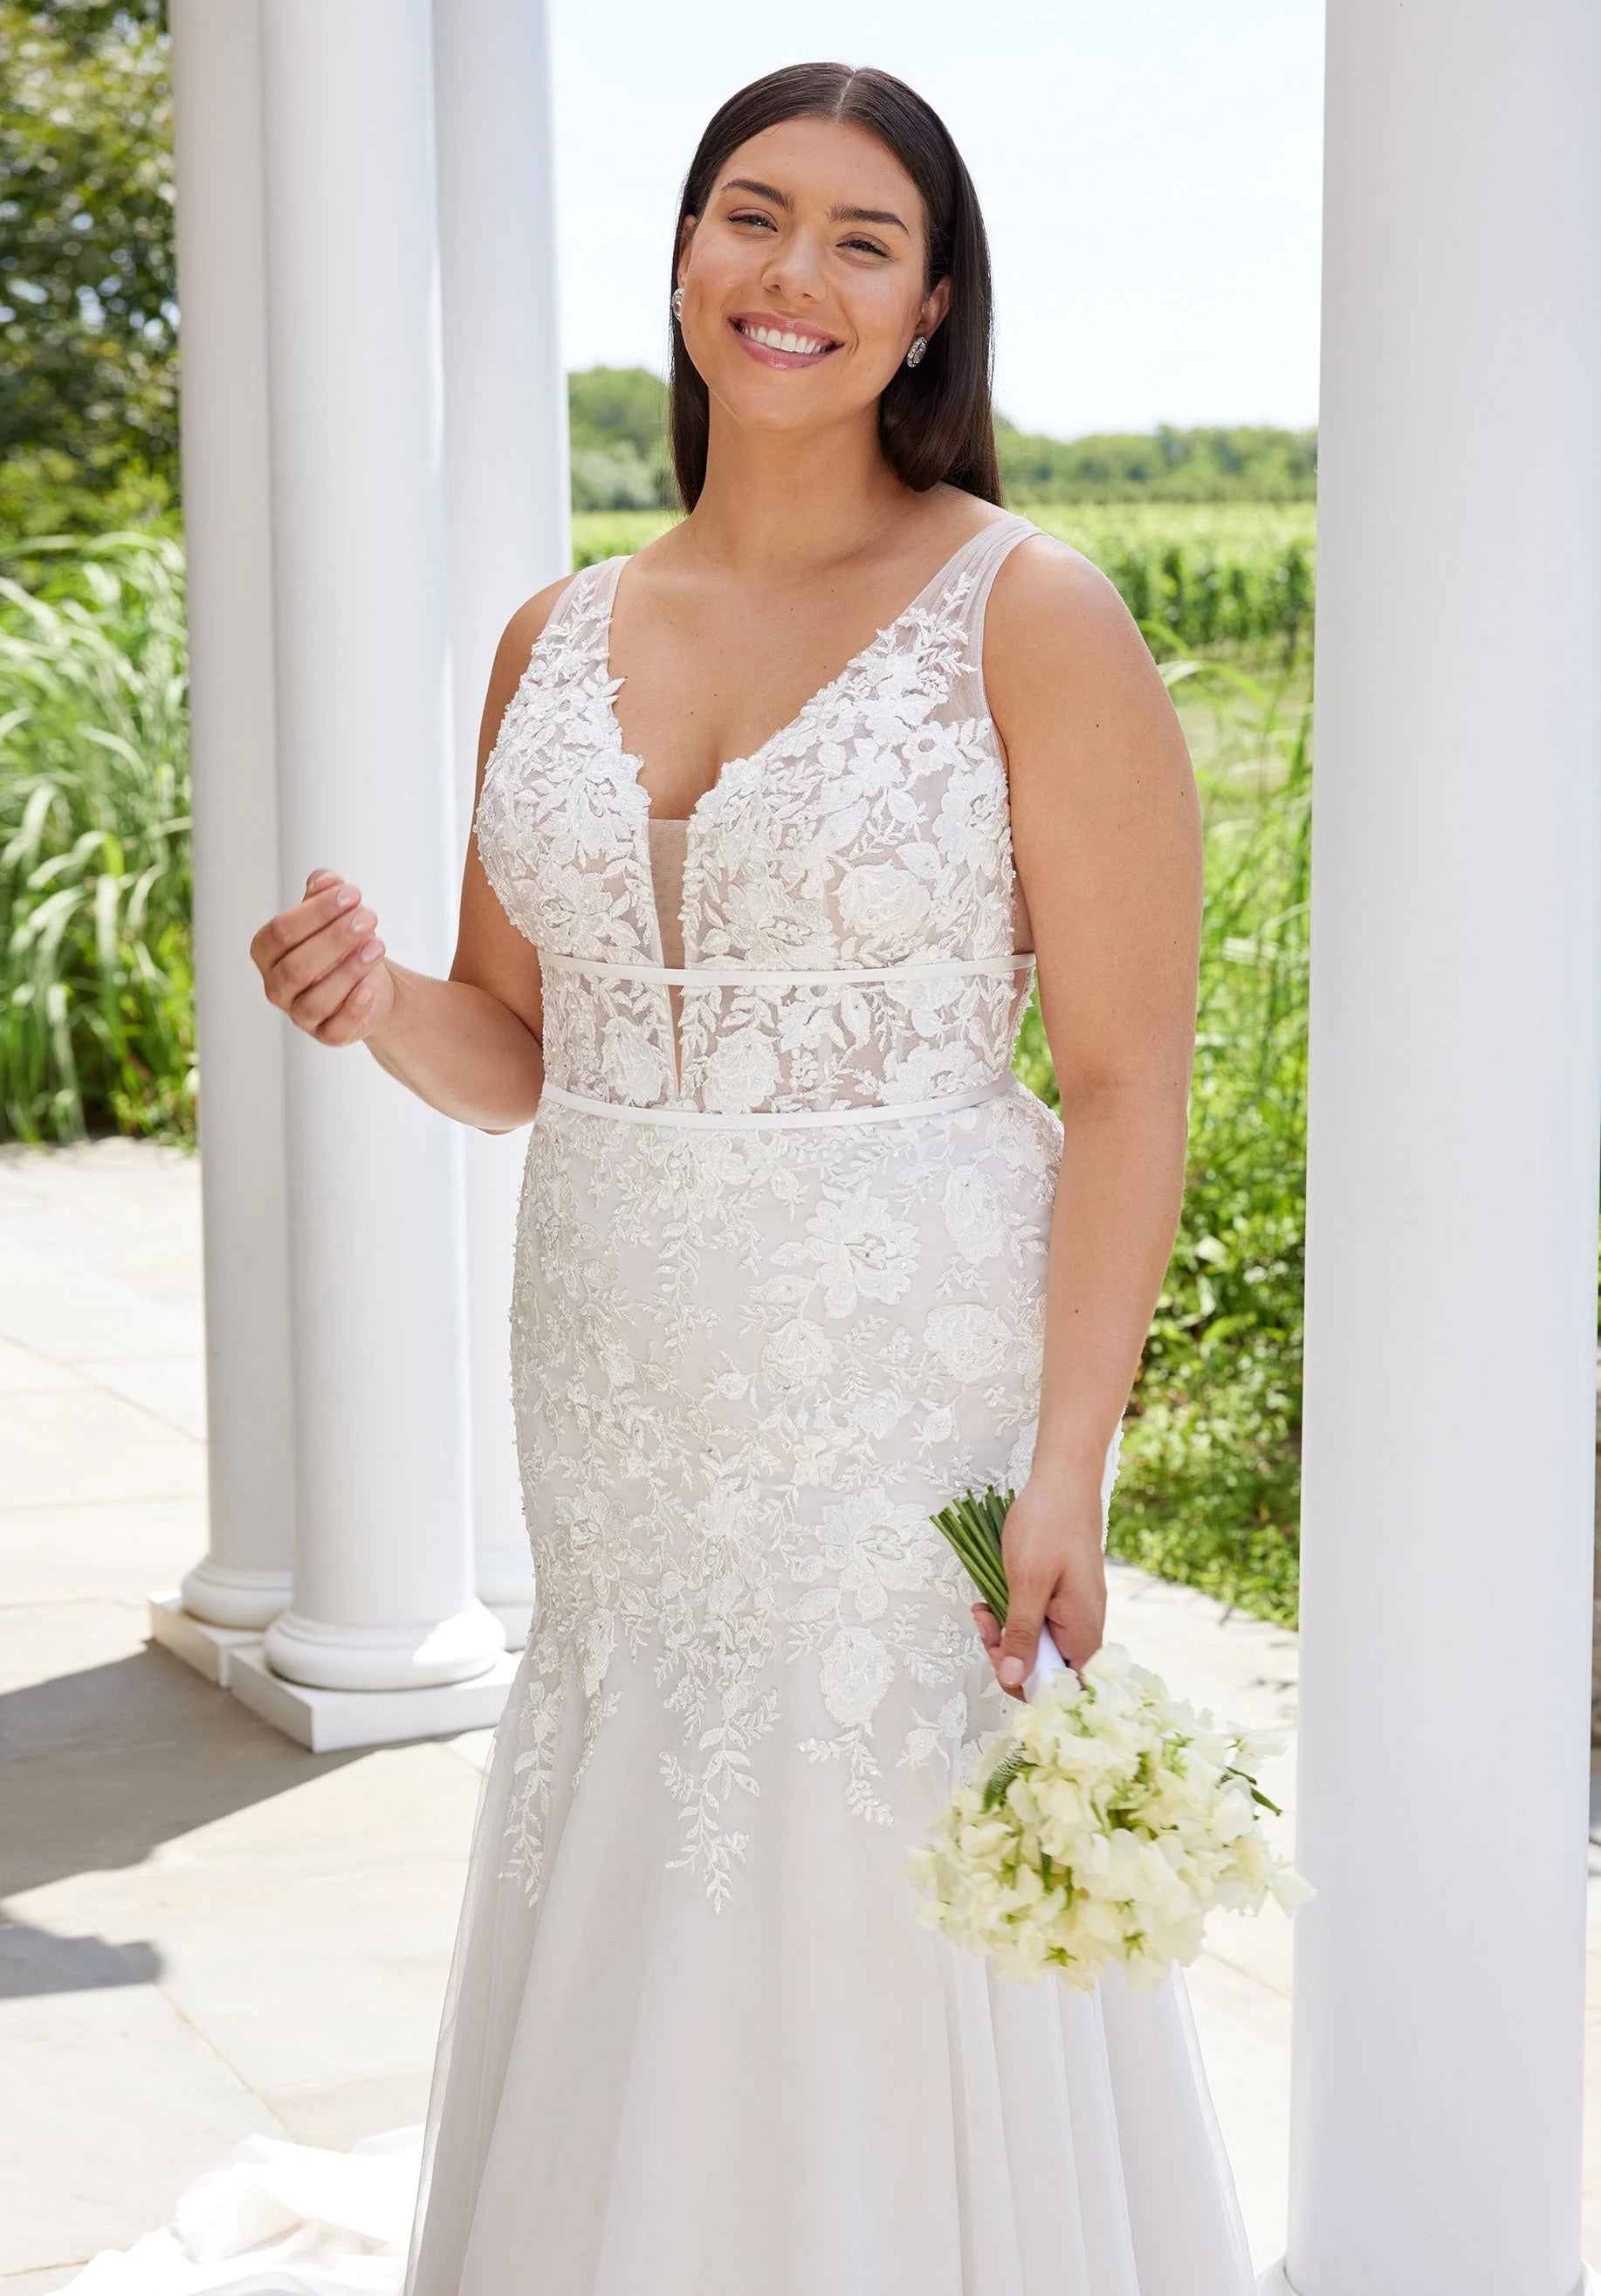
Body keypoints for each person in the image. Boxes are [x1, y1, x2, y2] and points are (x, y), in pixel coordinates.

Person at [251, 59, 1253, 2296]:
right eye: (746, 216)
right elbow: (521, 1054)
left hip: (900, 1385)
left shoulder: (1030, 609)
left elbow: (1121, 1079)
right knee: (638, 1812)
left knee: (880, 1840)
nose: (788, 273)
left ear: (928, 312)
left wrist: (1067, 1470)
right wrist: (371, 994)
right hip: (618, 1383)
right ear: (685, 263)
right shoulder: (553, 635)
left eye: (857, 239)